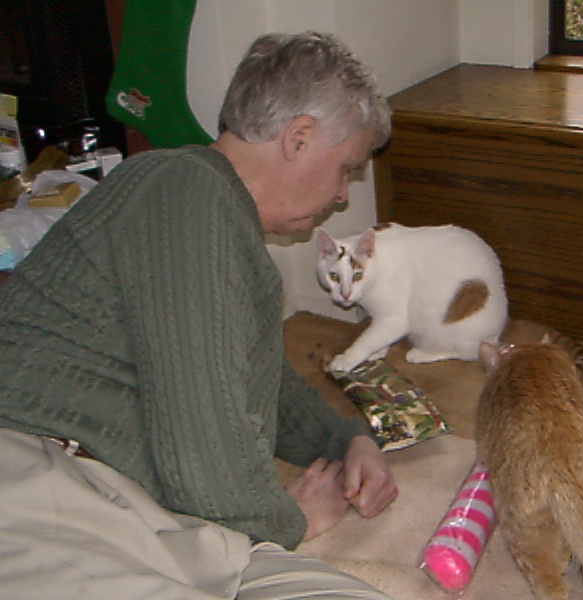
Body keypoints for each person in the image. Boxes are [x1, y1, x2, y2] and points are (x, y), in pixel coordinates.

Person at [0, 32, 398, 599]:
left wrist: (347, 440)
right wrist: (290, 521)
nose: (341, 195)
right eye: (346, 169)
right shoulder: (185, 189)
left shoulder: (209, 213)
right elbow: (202, 445)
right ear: (300, 137)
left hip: (139, 512)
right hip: (38, 481)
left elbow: (248, 380)